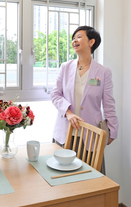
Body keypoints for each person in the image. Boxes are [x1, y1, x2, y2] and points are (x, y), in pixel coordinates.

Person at [51, 26, 119, 174]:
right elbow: (55, 94)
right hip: (65, 132)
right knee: (63, 176)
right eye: (73, 38)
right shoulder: (65, 67)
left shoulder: (103, 72)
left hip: (90, 133)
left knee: (90, 177)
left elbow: (108, 103)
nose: (75, 40)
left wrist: (113, 129)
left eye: (79, 37)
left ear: (91, 42)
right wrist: (68, 113)